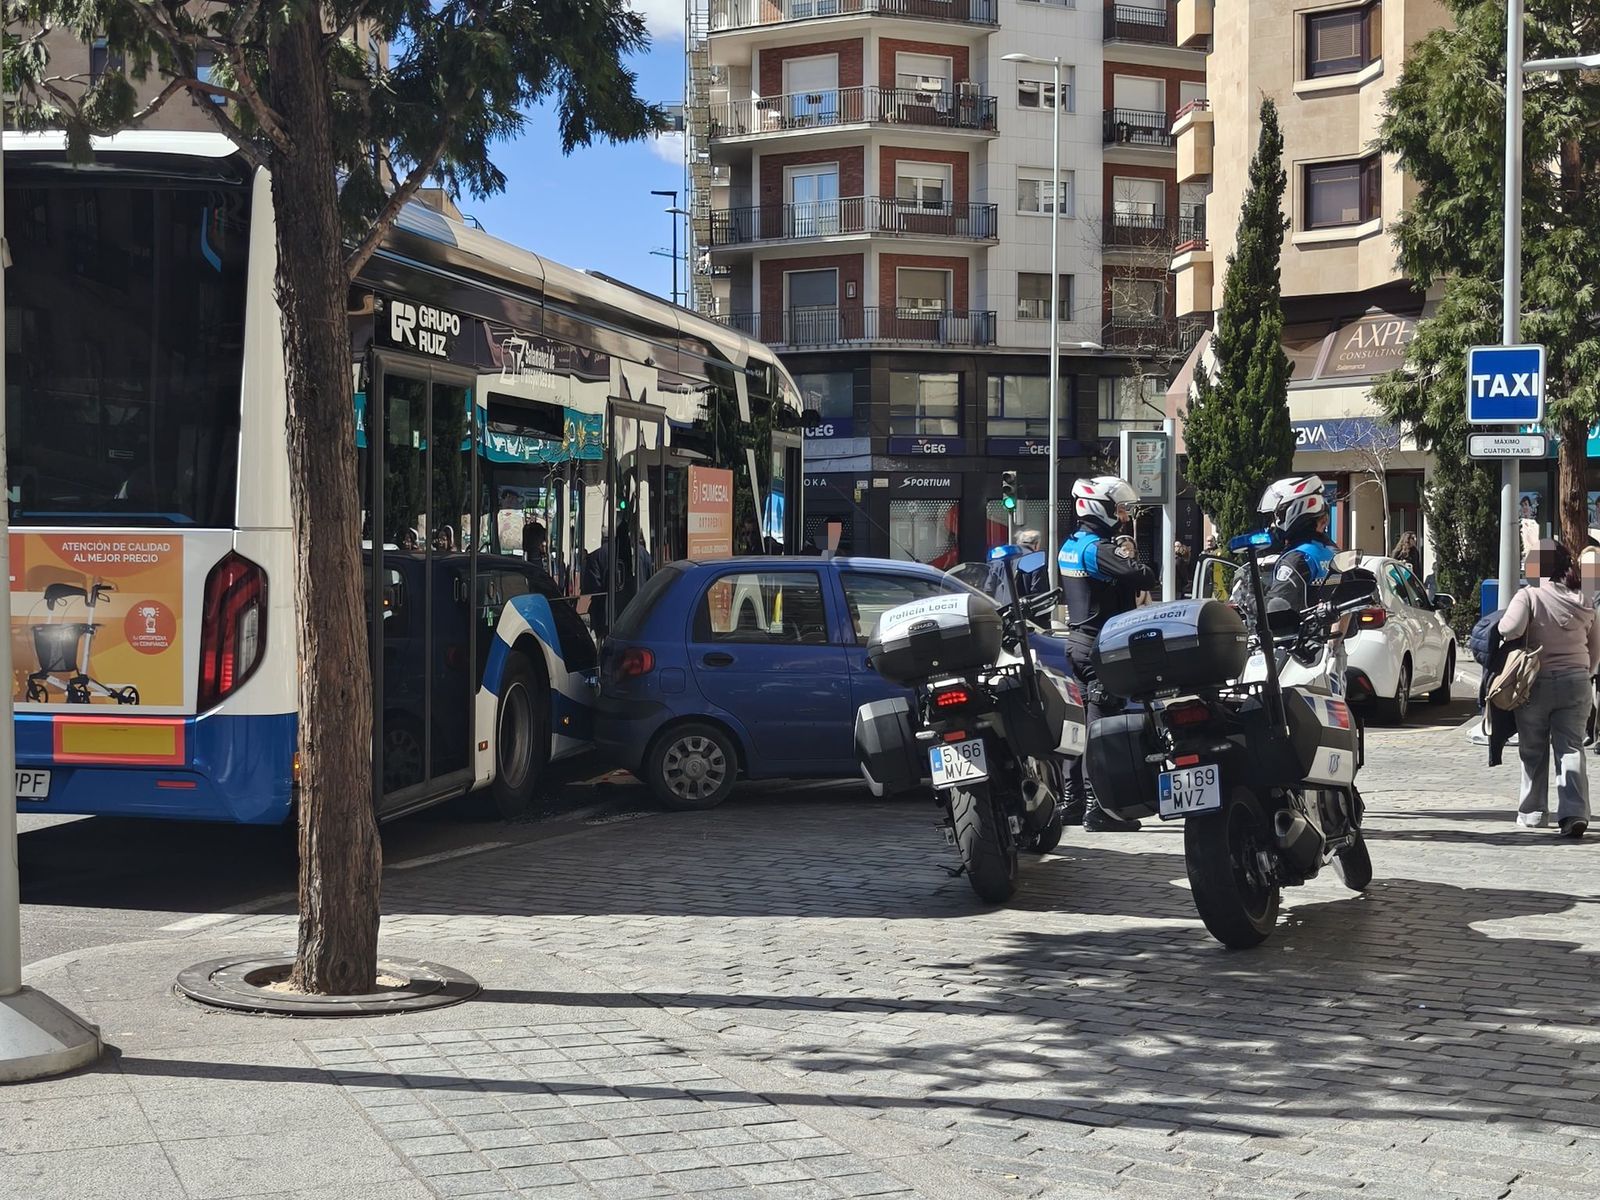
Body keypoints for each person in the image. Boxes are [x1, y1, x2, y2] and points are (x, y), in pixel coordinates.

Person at [1059, 476, 1155, 832]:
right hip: (1101, 645)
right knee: (1100, 730)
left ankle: (1073, 803)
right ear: (1099, 508)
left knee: (1082, 728)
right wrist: (1129, 553)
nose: (1125, 516)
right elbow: (1145, 577)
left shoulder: (1071, 544)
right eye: (1120, 509)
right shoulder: (1098, 549)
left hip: (1077, 642)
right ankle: (1099, 809)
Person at [1498, 539, 1600, 838]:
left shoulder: (1529, 595)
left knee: (1533, 749)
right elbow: (1596, 647)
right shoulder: (1584, 598)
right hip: (1576, 682)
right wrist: (1585, 671)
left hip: (1535, 682)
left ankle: (1533, 812)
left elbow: (1509, 628)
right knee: (1571, 747)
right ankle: (1574, 814)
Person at [1258, 475, 1338, 621]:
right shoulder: (1332, 551)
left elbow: (1276, 612)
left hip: (1301, 640)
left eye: (1276, 516)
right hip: (1329, 638)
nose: (1273, 524)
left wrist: (1250, 598)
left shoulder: (1297, 558)